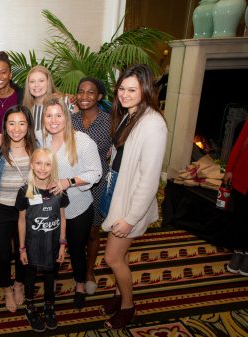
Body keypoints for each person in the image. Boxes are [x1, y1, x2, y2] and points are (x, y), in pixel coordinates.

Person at [100, 64, 167, 329]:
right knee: (120, 256)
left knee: (112, 258)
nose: (124, 94)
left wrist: (130, 218)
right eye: (121, 89)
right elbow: (125, 151)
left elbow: (149, 179)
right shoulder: (131, 114)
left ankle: (128, 306)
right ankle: (118, 296)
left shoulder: (154, 124)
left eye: (132, 90)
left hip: (131, 202)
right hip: (118, 189)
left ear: (146, 90)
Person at [38, 97, 102, 310]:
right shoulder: (40, 139)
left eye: (58, 115)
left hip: (78, 207)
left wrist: (68, 182)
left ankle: (80, 285)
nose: (53, 120)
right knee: (52, 247)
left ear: (66, 117)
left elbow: (96, 172)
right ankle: (51, 284)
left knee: (76, 249)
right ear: (43, 118)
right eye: (49, 115)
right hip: (51, 209)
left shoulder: (82, 141)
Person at [0, 105, 37, 312]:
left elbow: (40, 179)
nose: (16, 128)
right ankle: (7, 288)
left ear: (28, 126)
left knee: (21, 251)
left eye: (21, 123)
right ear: (5, 126)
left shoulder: (36, 148)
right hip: (0, 207)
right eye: (11, 123)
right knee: (2, 253)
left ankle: (19, 284)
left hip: (24, 210)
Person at [16, 148, 69, 332]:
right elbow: (22, 220)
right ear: (32, 164)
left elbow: (62, 218)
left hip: (52, 244)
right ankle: (29, 307)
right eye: (38, 163)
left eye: (47, 164)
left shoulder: (58, 190)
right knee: (30, 276)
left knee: (50, 275)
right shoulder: (26, 191)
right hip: (31, 245)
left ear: (52, 167)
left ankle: (49, 305)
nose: (43, 168)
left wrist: (62, 245)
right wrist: (22, 248)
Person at [71, 77, 112, 295]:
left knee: (93, 231)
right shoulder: (70, 119)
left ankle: (88, 271)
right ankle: (75, 264)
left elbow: (120, 148)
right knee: (72, 229)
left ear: (99, 97)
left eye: (90, 92)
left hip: (97, 183)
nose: (85, 96)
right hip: (71, 182)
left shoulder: (110, 121)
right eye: (80, 92)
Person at [224, 117, 248, 275]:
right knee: (240, 216)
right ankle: (238, 251)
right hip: (243, 175)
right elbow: (240, 142)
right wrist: (230, 169)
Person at [22, 66, 57, 132]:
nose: (36, 85)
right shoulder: (26, 109)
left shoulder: (64, 103)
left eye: (41, 81)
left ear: (48, 83)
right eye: (32, 81)